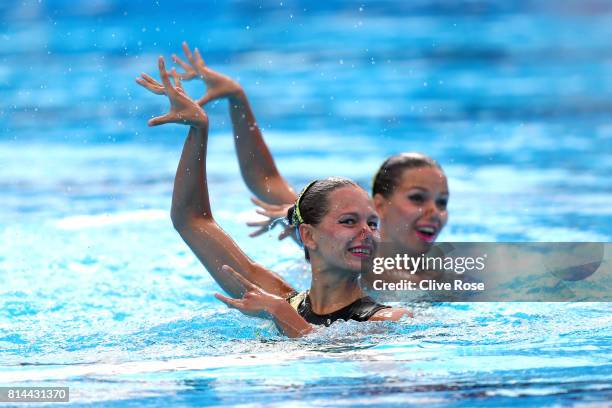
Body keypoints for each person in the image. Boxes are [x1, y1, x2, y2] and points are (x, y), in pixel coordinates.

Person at [138, 56, 411, 336]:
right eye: (349, 221)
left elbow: (330, 355)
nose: (368, 233)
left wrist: (280, 313)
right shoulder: (284, 301)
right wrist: (199, 130)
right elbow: (191, 220)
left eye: (373, 224)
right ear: (307, 236)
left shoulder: (387, 321)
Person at [136, 43, 449, 287]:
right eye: (417, 198)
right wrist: (233, 102)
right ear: (379, 203)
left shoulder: (432, 273)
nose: (435, 213)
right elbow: (263, 180)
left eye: (442, 202)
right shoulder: (338, 245)